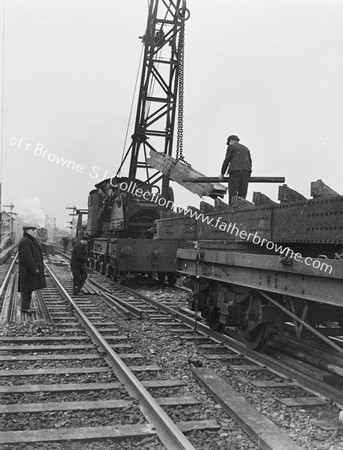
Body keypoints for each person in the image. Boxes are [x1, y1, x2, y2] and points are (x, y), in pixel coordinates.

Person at [18, 225, 47, 314]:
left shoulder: (29, 240)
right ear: (28, 231)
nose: (35, 232)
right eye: (33, 231)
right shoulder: (26, 241)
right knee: (26, 289)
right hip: (28, 270)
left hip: (28, 270)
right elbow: (28, 257)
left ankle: (26, 307)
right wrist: (34, 268)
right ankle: (25, 308)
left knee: (28, 289)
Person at [219, 135, 252, 204]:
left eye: (229, 143)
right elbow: (250, 161)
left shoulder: (231, 147)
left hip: (235, 172)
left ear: (231, 141)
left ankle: (232, 209)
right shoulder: (246, 148)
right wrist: (248, 174)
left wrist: (222, 173)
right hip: (246, 172)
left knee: (233, 194)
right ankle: (241, 208)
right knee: (242, 194)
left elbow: (227, 160)